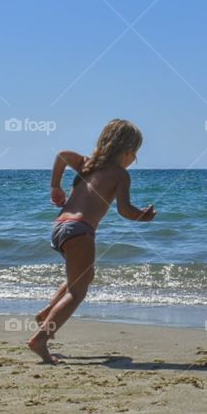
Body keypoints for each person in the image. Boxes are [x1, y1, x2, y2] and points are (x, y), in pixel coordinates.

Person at [30, 119, 156, 363]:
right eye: (135, 154)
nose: (134, 160)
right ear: (128, 151)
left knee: (82, 277)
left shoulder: (87, 164)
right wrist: (144, 216)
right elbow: (125, 210)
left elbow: (62, 155)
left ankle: (47, 312)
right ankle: (40, 339)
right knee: (77, 292)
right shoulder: (120, 175)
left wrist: (55, 186)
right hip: (80, 231)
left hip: (60, 227)